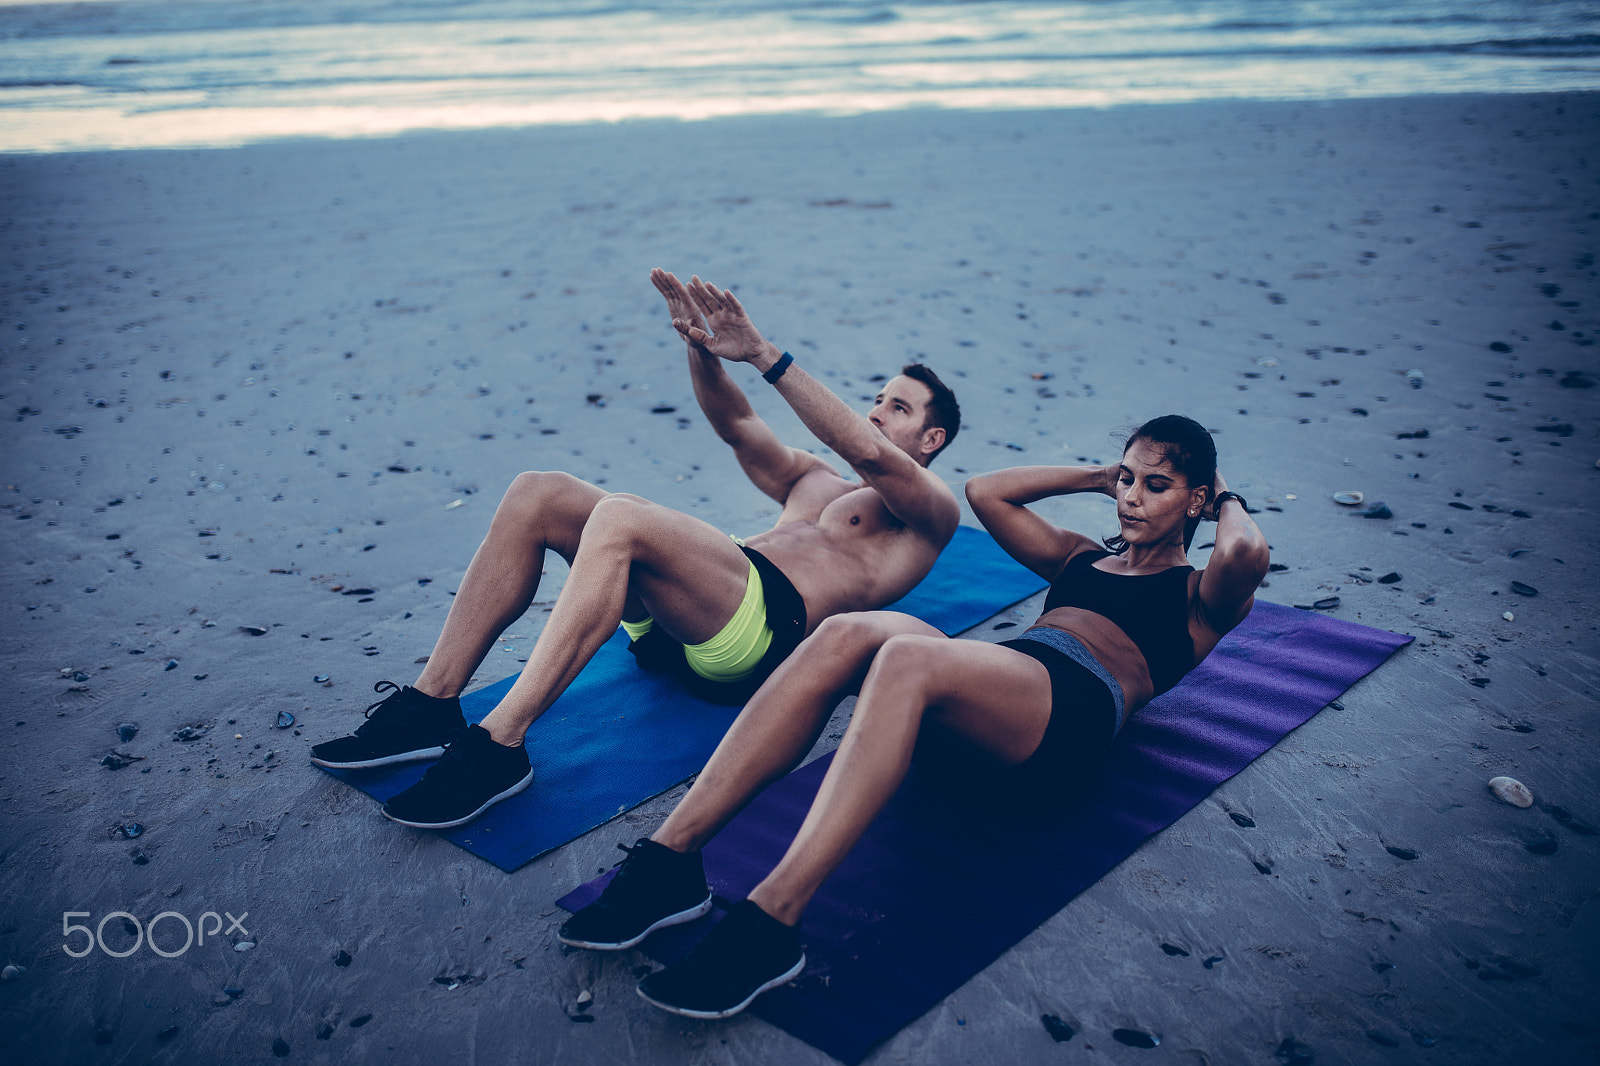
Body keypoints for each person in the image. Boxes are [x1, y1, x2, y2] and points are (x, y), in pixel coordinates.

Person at [557, 415, 1269, 1020]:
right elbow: (987, 492)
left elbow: (1245, 549)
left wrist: (1224, 497)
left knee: (905, 656)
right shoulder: (1080, 559)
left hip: (1067, 720)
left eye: (1156, 485)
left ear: (1197, 499)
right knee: (847, 632)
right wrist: (1099, 473)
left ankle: (773, 919)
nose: (1132, 498)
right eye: (1128, 480)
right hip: (997, 697)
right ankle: (670, 861)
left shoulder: (1202, 596)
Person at [309, 271, 962, 830]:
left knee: (621, 516)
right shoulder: (815, 480)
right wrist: (705, 351)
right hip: (678, 620)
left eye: (897, 407)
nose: (876, 412)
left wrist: (763, 353)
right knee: (540, 491)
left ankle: (499, 743)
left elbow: (866, 451)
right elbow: (736, 426)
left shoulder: (928, 514)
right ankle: (433, 702)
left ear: (931, 438)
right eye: (876, 399)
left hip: (753, 643)